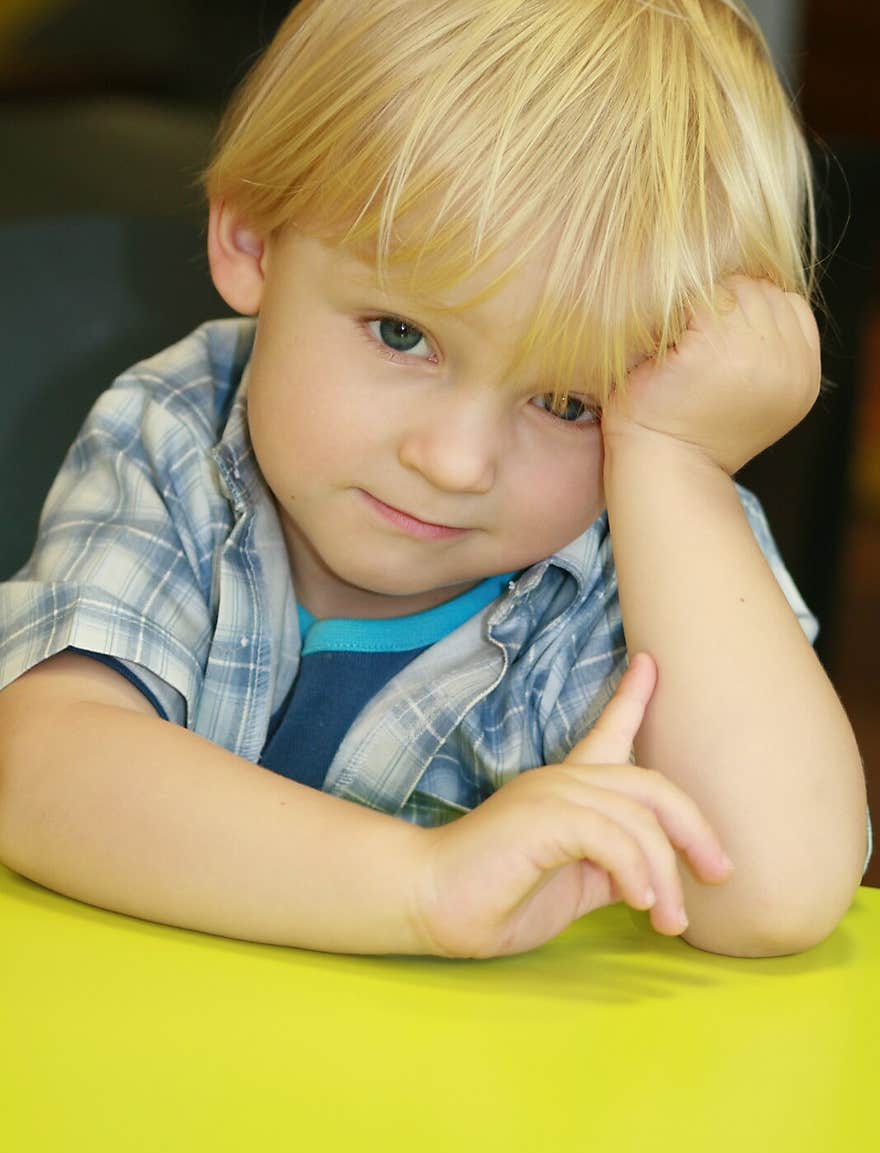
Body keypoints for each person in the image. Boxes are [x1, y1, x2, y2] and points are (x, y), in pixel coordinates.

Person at [0, 0, 870, 959]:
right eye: (403, 335)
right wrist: (422, 888)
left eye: (570, 404)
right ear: (252, 236)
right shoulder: (178, 436)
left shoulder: (648, 545)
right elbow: (39, 767)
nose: (455, 463)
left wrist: (679, 470)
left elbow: (773, 892)